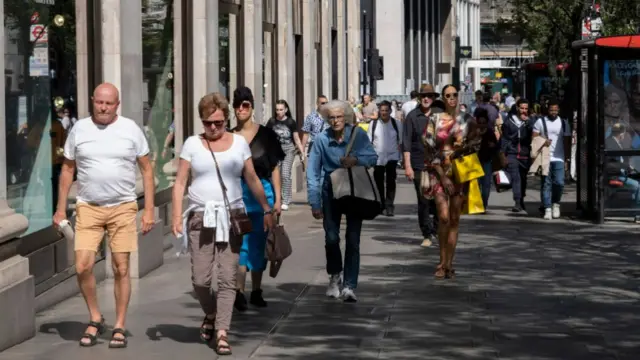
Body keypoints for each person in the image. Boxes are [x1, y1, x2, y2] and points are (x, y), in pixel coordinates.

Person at [52, 83, 155, 348]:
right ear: (92, 101)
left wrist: (149, 210)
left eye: (109, 103)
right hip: (88, 206)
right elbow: (67, 170)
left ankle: (119, 324)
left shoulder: (130, 129)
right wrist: (61, 208)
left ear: (117, 105)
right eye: (99, 102)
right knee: (83, 265)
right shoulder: (79, 129)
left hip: (123, 206)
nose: (104, 107)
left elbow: (146, 170)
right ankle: (95, 317)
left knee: (122, 268)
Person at [172, 92, 274, 355]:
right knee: (201, 280)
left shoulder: (239, 143)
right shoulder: (193, 144)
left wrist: (266, 207)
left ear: (226, 119)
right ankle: (212, 312)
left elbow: (251, 177)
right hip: (200, 216)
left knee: (228, 277)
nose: (214, 128)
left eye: (218, 122)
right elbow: (181, 181)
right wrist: (175, 216)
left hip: (232, 215)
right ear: (202, 121)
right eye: (208, 123)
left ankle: (222, 331)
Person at [307, 100, 378, 302]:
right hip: (330, 189)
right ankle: (334, 275)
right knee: (331, 237)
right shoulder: (321, 139)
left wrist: (356, 160)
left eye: (339, 116)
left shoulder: (358, 135)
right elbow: (312, 172)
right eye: (331, 117)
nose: (335, 120)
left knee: (353, 239)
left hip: (354, 189)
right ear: (326, 119)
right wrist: (314, 201)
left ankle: (349, 285)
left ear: (345, 117)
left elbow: (373, 157)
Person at [231, 87, 285, 311]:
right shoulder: (229, 136)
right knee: (241, 244)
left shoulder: (266, 135)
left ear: (252, 107)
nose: (241, 109)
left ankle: (256, 290)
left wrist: (278, 199)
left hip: (264, 195)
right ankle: (239, 292)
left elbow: (274, 168)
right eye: (237, 105)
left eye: (245, 105)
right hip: (238, 195)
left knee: (260, 243)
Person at [423, 84, 481, 279]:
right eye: (448, 95)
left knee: (455, 218)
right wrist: (442, 174)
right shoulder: (434, 119)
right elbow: (429, 150)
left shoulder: (467, 120)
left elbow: (476, 144)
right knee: (444, 216)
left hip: (460, 172)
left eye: (454, 95)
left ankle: (448, 263)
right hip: (439, 173)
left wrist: (462, 149)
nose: (451, 98)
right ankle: (441, 260)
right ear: (443, 98)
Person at [403, 84, 441, 247]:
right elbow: (406, 144)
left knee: (439, 200)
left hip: (439, 165)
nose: (426, 99)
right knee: (424, 200)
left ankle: (437, 230)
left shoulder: (440, 115)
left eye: (429, 96)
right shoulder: (412, 116)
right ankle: (426, 234)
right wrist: (408, 166)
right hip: (419, 165)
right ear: (419, 98)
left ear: (433, 98)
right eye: (423, 96)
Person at [532, 98, 571, 220]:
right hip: (545, 156)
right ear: (547, 110)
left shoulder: (564, 123)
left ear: (558, 110)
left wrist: (567, 159)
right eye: (551, 110)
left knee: (559, 182)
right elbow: (534, 138)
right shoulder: (540, 122)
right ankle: (547, 208)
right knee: (546, 183)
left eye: (555, 110)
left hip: (559, 157)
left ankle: (556, 204)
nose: (553, 112)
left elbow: (567, 141)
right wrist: (543, 142)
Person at [266, 99, 305, 211]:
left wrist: (302, 153)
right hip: (275, 151)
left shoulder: (290, 122)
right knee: (274, 176)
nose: (279, 112)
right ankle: (276, 198)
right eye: (277, 109)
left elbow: (296, 138)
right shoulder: (272, 122)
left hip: (288, 150)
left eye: (281, 109)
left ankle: (286, 200)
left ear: (286, 110)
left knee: (285, 174)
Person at [368, 100, 402, 216]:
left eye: (386, 110)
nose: (384, 113)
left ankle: (389, 205)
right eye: (382, 111)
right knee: (378, 182)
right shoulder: (373, 124)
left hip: (392, 156)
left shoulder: (396, 124)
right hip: (378, 157)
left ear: (390, 111)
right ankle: (380, 204)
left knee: (391, 181)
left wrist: (401, 158)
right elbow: (369, 141)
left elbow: (401, 141)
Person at [501, 99, 533, 212]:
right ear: (517, 108)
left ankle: (521, 198)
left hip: (524, 154)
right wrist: (503, 154)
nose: (524, 111)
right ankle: (517, 202)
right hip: (512, 153)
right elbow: (504, 138)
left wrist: (528, 123)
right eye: (522, 108)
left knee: (523, 179)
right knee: (516, 178)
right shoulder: (509, 121)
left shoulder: (530, 121)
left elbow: (533, 134)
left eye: (526, 108)